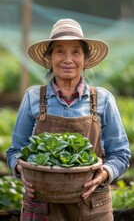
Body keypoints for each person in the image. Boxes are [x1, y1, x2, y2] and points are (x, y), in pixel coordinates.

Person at [6, 18, 131, 221]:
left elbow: (121, 154)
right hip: (41, 205)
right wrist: (21, 169)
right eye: (59, 51)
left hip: (92, 205)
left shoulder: (103, 99)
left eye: (75, 51)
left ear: (85, 59)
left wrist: (104, 173)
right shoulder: (33, 97)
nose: (68, 59)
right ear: (49, 58)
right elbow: (15, 151)